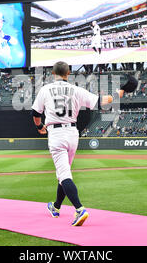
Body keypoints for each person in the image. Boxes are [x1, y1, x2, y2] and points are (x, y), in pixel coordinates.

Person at [31, 61, 128, 226]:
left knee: (64, 174)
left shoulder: (45, 89)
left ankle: (79, 209)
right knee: (64, 172)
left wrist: (40, 126)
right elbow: (103, 102)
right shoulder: (76, 90)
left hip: (56, 134)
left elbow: (35, 113)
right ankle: (55, 207)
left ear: (53, 73)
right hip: (73, 134)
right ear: (68, 73)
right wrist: (123, 90)